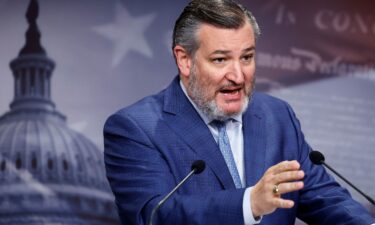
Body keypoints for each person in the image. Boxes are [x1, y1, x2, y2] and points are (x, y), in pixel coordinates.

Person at [103, 0, 375, 224]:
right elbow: (154, 216)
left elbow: (324, 197)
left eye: (246, 57)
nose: (237, 75)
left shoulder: (277, 116)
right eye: (220, 59)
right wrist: (250, 203)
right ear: (184, 60)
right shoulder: (136, 128)